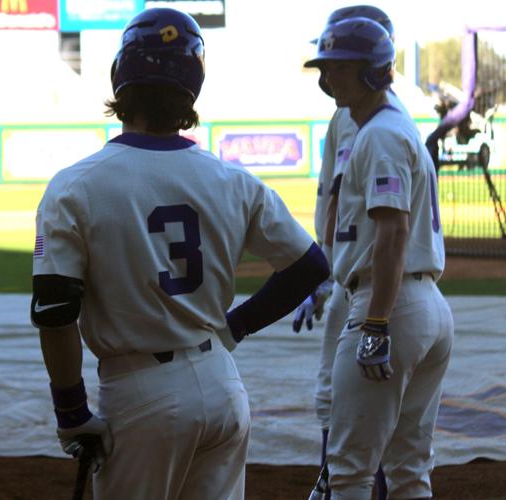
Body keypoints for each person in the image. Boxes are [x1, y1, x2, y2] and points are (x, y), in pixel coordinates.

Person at [31, 8, 329, 499]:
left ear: (120, 76)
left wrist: (71, 412)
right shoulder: (230, 179)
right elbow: (310, 266)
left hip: (139, 394)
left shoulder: (74, 186)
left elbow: (56, 311)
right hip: (221, 384)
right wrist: (237, 325)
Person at [304, 17, 453, 499]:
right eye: (324, 68)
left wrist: (375, 323)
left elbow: (392, 234)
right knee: (409, 469)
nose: (327, 79)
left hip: (390, 304)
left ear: (371, 71)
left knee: (349, 471)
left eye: (337, 68)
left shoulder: (381, 134)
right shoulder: (387, 127)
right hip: (422, 304)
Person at [295, 6, 409, 499]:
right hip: (348, 272)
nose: (329, 76)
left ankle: (343, 483)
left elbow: (379, 218)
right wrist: (322, 272)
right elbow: (333, 199)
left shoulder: (380, 123)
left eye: (338, 65)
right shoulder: (351, 116)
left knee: (352, 403)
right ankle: (339, 479)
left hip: (366, 280)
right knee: (335, 397)